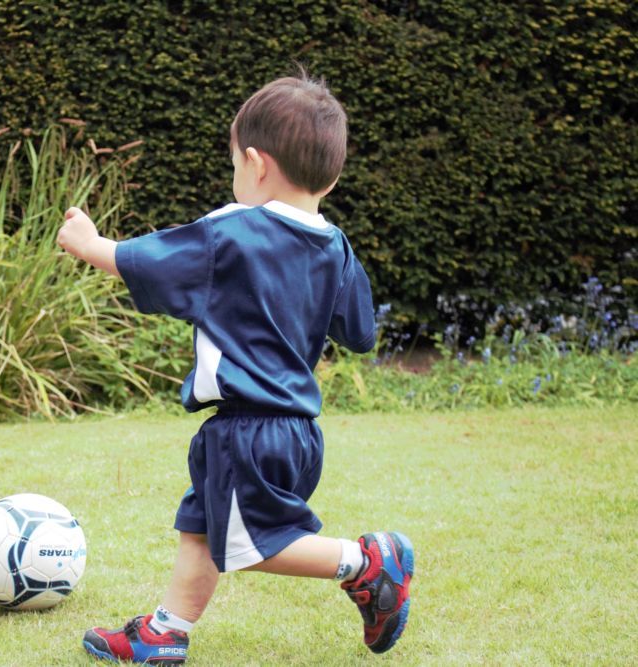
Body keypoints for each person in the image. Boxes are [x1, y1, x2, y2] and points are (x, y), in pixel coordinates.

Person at [57, 71, 414, 664]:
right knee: (200, 523)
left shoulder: (234, 232)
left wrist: (90, 242)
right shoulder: (336, 246)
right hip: (292, 429)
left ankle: (369, 562)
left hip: (251, 427)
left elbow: (145, 259)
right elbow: (360, 331)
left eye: (233, 166)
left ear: (255, 163)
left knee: (253, 546)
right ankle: (165, 632)